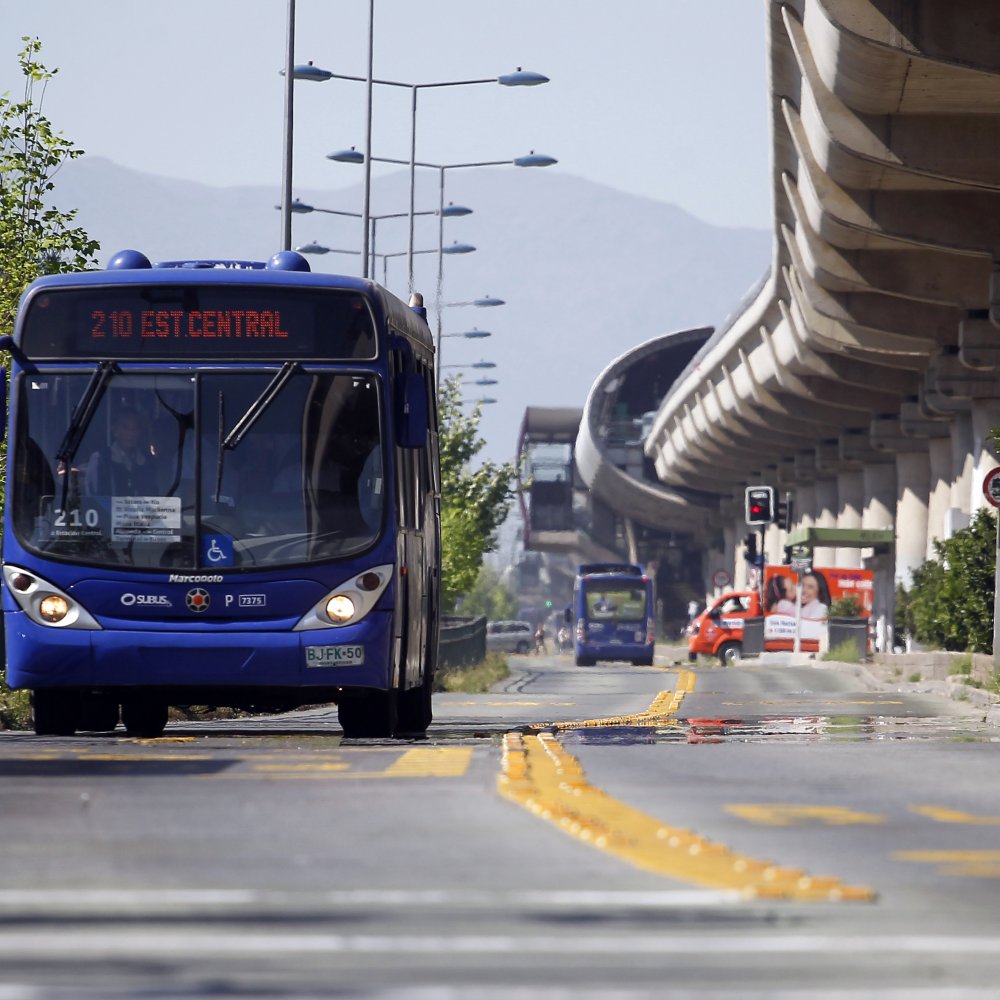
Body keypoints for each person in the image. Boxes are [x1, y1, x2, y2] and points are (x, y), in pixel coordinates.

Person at [86, 408, 158, 496]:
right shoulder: (101, 459)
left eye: (135, 428)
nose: (130, 433)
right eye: (125, 427)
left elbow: (153, 494)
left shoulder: (147, 461)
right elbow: (94, 496)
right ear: (115, 430)